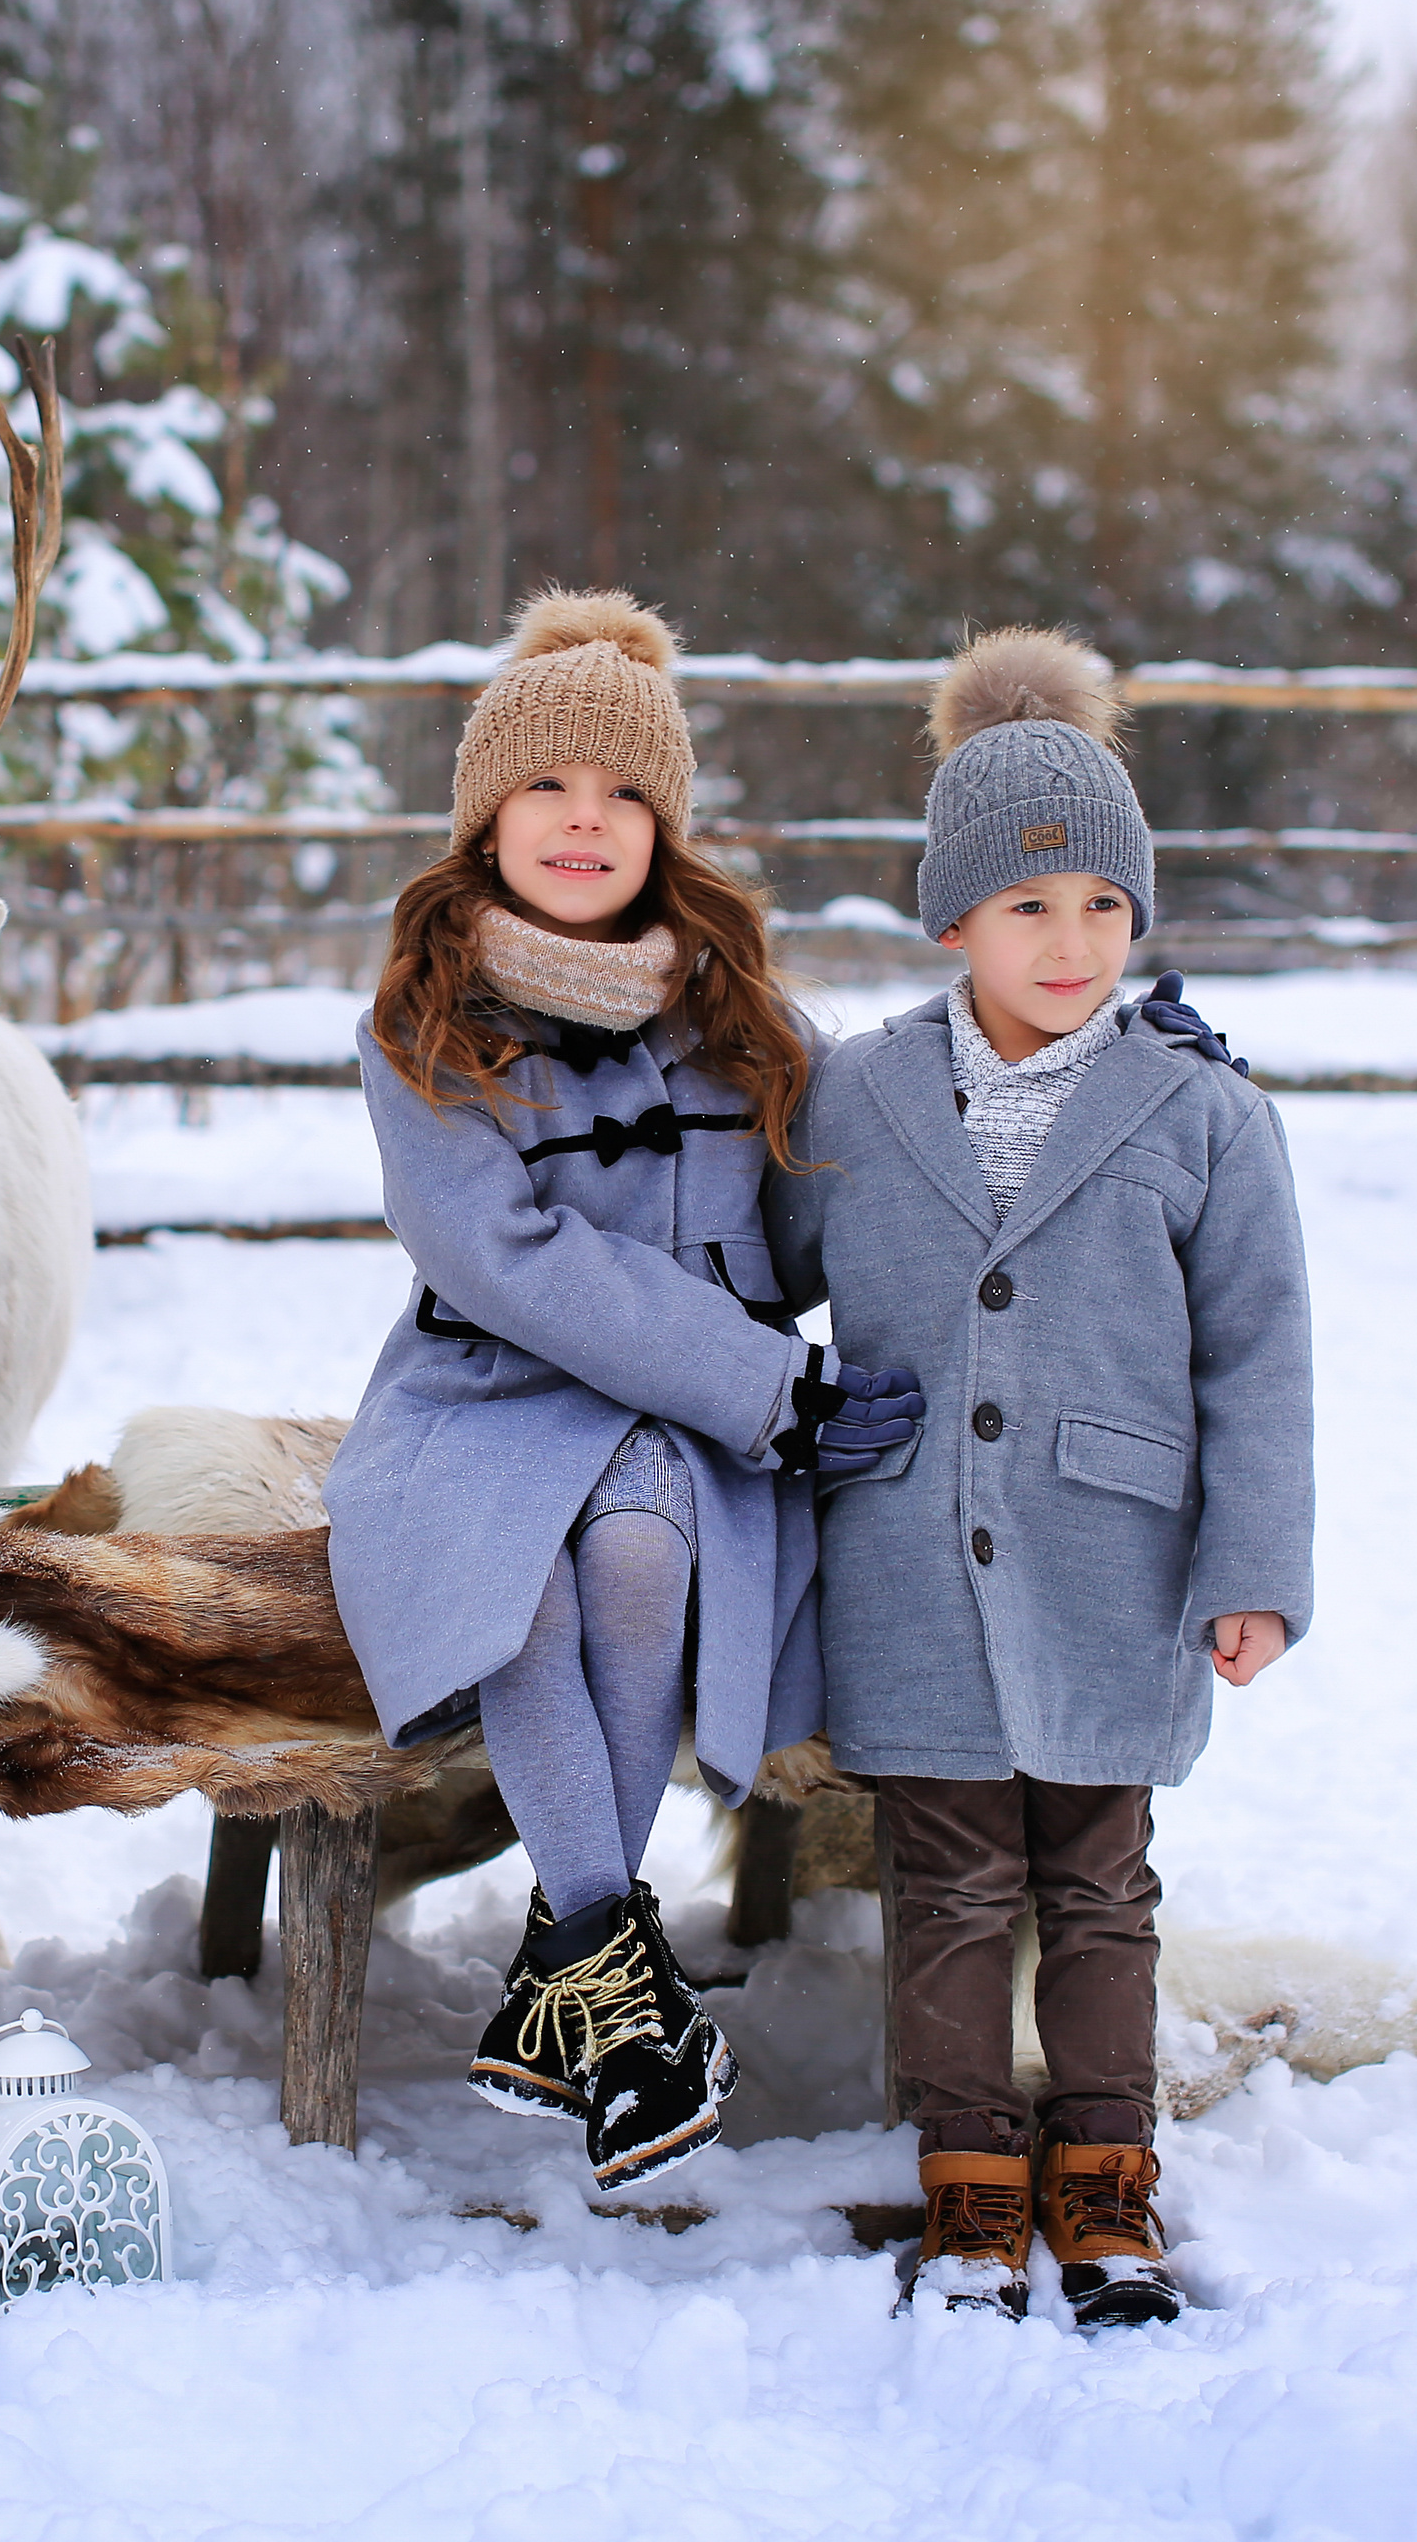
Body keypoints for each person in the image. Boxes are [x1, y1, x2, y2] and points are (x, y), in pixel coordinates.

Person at [322, 590, 923, 2192]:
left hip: (682, 1424)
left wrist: (1080, 1077)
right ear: (486, 818)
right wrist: (768, 1391)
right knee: (519, 1584)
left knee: (640, 1553)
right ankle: (621, 1996)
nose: (585, 821)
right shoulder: (419, 1024)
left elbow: (852, 1187)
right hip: (482, 1398)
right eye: (548, 790)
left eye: (623, 795)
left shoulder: (746, 1019)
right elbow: (506, 1257)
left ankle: (572, 1978)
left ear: (664, 825)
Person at [765, 626, 1314, 2329]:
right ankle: (972, 2184)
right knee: (946, 1886)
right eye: (1028, 907)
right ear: (953, 923)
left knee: (1098, 1887)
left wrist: (1255, 1566)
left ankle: (1106, 2179)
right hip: (916, 1565)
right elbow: (757, 1266)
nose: (1070, 942)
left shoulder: (1201, 1113)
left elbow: (1262, 1354)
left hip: (1113, 1566)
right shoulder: (857, 1095)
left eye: (1102, 907)